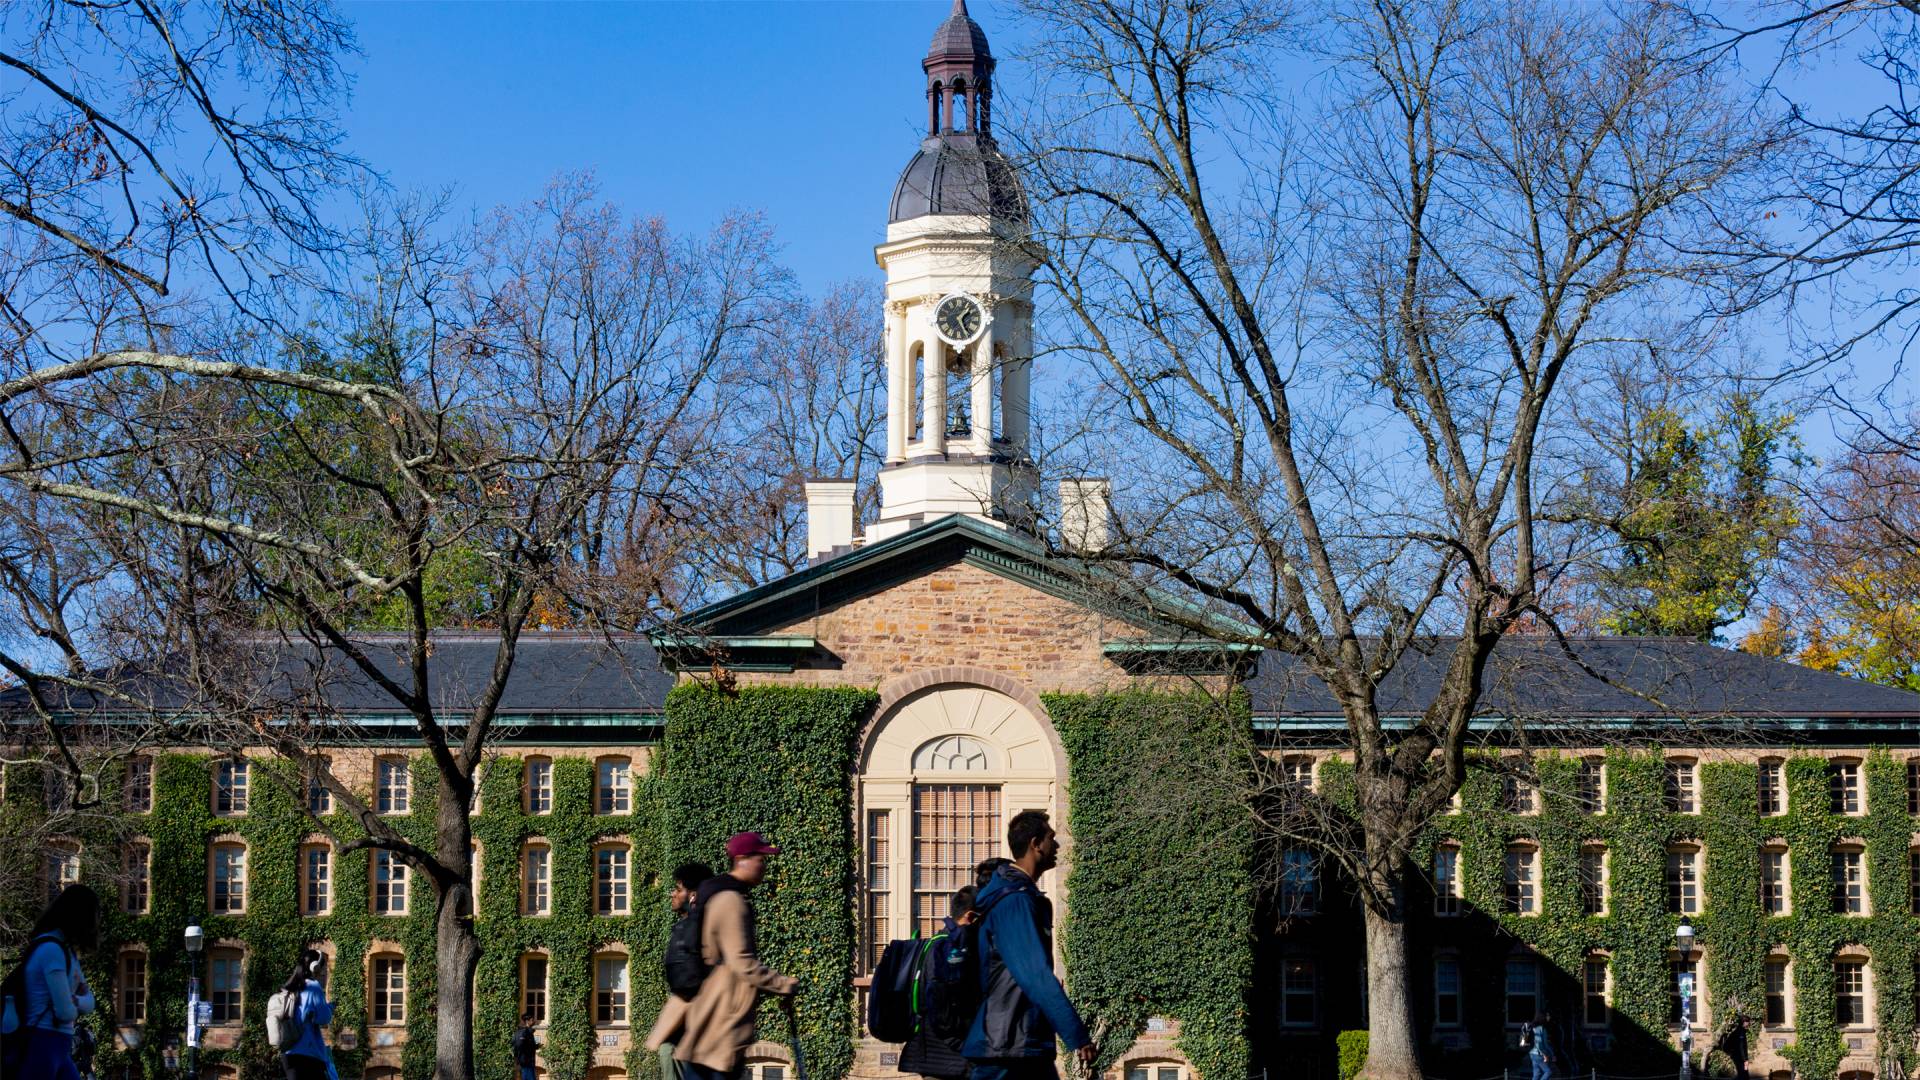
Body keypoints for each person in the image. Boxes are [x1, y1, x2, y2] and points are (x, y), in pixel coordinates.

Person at [963, 811, 1094, 1080]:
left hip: (1024, 1041)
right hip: (1007, 1044)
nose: (1056, 846)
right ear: (1035, 844)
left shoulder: (1022, 897)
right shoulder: (1015, 902)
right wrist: (1076, 1034)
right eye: (1050, 838)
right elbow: (1035, 974)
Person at [675, 833, 797, 1080]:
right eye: (760, 859)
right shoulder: (730, 900)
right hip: (721, 1025)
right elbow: (741, 963)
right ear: (741, 859)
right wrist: (783, 985)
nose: (764, 865)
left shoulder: (719, 894)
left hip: (709, 1019)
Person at [15, 883, 100, 1080]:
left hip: (59, 1045)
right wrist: (75, 1002)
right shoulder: (52, 951)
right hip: (42, 1041)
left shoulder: (66, 952)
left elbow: (89, 1002)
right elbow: (64, 1012)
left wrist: (75, 1001)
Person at [899, 885, 978, 1080]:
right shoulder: (950, 950)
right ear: (970, 917)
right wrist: (962, 1045)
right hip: (946, 1058)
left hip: (933, 1053)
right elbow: (941, 1005)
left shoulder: (934, 943)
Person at [645, 862, 714, 1080]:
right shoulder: (683, 927)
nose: (672, 894)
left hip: (700, 1030)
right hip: (680, 1031)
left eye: (678, 889)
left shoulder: (704, 927)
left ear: (692, 895)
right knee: (667, 1053)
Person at [279, 949, 337, 1080]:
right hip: (308, 1054)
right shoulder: (313, 986)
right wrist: (331, 1007)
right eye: (321, 966)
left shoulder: (288, 988)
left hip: (288, 1055)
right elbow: (324, 1018)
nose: (322, 970)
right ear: (314, 966)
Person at [1527, 1010, 1554, 1080]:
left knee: (1536, 1074)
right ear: (1543, 1017)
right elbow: (1540, 1043)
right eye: (1547, 1015)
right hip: (1538, 1054)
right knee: (1548, 1072)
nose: (1549, 1017)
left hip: (1532, 1053)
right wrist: (1545, 1054)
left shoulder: (1533, 1027)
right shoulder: (1541, 1028)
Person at [513, 1010, 540, 1080]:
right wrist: (521, 1058)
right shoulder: (524, 1032)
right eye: (532, 1020)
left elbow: (526, 1045)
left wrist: (536, 1046)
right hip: (526, 1062)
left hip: (526, 1062)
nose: (534, 1021)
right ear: (527, 1021)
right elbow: (519, 1046)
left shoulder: (524, 1032)